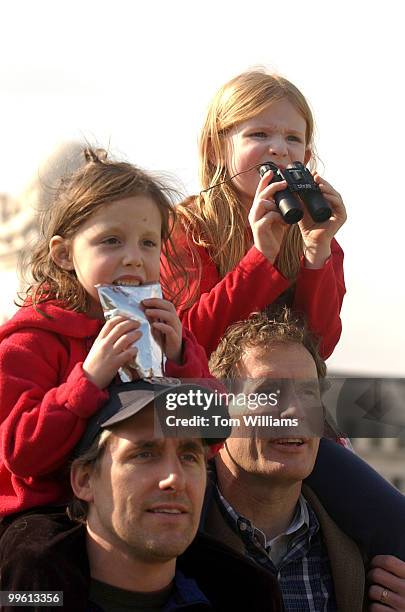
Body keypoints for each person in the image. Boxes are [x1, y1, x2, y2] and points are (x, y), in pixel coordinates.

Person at [0, 148, 213, 519]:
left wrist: (180, 360)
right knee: (35, 562)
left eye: (148, 243)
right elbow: (21, 454)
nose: (134, 257)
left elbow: (213, 433)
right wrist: (87, 380)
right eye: (111, 241)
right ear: (64, 254)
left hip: (142, 504)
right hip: (46, 514)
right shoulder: (30, 341)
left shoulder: (167, 332)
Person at [0, 381, 284, 612]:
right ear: (84, 480)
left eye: (189, 456)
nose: (174, 478)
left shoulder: (246, 597)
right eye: (144, 454)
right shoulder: (23, 595)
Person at [205, 308, 405, 610]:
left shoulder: (371, 566)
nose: (295, 411)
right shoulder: (171, 548)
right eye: (269, 393)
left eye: (308, 394)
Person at [161, 69, 346, 360]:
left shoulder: (314, 234)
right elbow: (189, 341)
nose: (279, 149)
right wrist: (260, 257)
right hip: (208, 396)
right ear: (215, 150)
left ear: (306, 158)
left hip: (282, 398)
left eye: (293, 138)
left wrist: (316, 251)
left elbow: (319, 348)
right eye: (259, 134)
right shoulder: (185, 228)